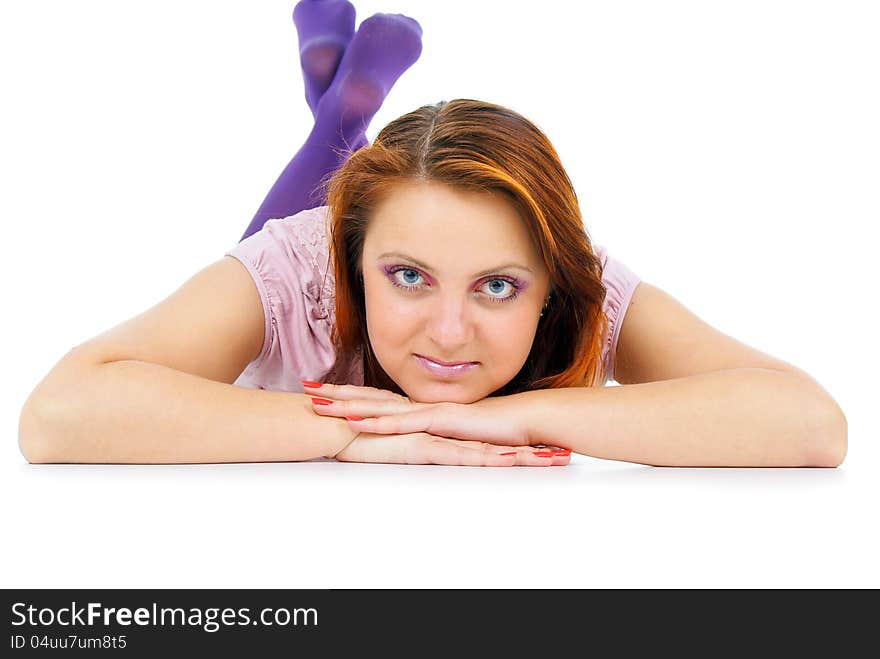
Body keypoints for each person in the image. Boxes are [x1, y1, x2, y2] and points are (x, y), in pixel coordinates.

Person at [18, 1, 847, 468]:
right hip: (318, 247)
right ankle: (340, 125)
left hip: (374, 229)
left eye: (498, 285)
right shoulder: (300, 265)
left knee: (374, 194)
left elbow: (811, 423)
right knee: (304, 215)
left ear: (553, 280)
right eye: (408, 277)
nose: (450, 333)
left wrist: (519, 417)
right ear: (347, 259)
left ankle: (338, 119)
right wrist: (354, 430)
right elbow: (58, 413)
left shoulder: (585, 282)